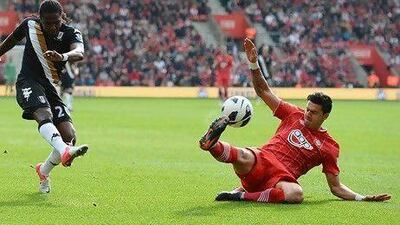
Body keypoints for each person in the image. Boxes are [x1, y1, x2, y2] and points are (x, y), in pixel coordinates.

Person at [199, 38, 391, 204]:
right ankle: (211, 143)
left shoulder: (329, 147)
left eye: (314, 112)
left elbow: (336, 187)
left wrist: (362, 197)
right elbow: (264, 92)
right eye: (307, 109)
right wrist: (254, 65)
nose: (307, 114)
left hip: (281, 178)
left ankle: (241, 196)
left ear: (325, 116)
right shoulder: (293, 114)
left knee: (295, 194)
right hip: (261, 160)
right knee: (241, 155)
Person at [0, 0, 88, 193]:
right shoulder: (29, 25)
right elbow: (12, 40)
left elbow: (79, 52)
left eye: (56, 22)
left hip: (50, 87)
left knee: (69, 136)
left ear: (61, 17)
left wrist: (62, 56)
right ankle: (65, 151)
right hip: (28, 82)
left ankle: (44, 170)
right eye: (47, 22)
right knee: (43, 113)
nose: (51, 26)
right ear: (40, 19)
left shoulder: (71, 33)